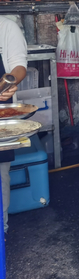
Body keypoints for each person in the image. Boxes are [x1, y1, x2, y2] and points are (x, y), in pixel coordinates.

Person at [0, 16, 27, 235]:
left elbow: (18, 66)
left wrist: (10, 82)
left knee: (0, 174)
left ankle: (2, 230)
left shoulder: (6, 27)